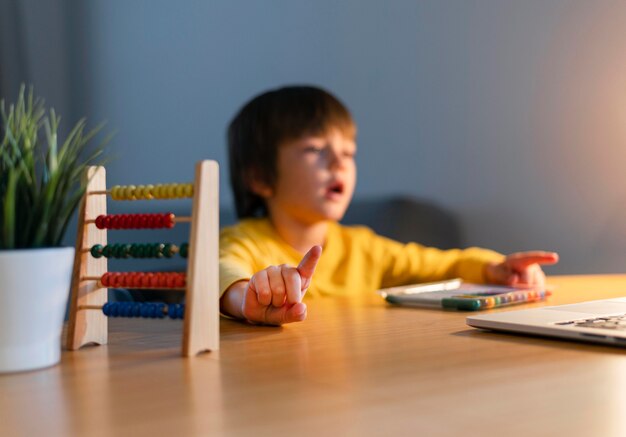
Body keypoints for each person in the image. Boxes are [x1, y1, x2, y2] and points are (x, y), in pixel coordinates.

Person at [219, 85, 558, 325]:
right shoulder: (242, 242)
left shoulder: (363, 247)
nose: (339, 162)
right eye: (314, 149)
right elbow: (220, 276)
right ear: (260, 177)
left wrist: (494, 269)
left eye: (349, 153)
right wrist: (247, 297)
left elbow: (438, 266)